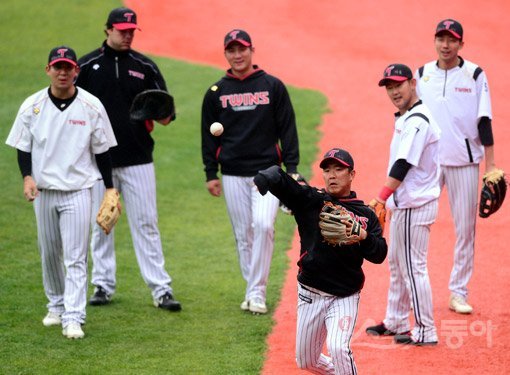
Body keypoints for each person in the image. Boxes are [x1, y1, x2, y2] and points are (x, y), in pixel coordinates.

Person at [5, 46, 117, 339]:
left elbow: (102, 152)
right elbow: (23, 145)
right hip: (44, 192)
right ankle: (55, 305)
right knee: (49, 252)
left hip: (79, 191)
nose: (63, 72)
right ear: (48, 70)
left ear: (76, 71)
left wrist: (109, 188)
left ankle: (73, 316)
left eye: (68, 67)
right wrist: (27, 177)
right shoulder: (33, 106)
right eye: (58, 67)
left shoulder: (92, 106)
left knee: (76, 256)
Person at [75, 7, 181, 311]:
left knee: (146, 222)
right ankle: (103, 285)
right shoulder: (88, 66)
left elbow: (166, 114)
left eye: (132, 31)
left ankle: (161, 289)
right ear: (107, 29)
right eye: (122, 30)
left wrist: (161, 114)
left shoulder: (145, 66)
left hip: (138, 159)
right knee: (102, 223)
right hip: (97, 162)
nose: (127, 35)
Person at [253, 148, 387, 374]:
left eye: (338, 169)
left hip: (344, 295)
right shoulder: (312, 201)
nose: (332, 175)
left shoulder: (366, 215)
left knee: (338, 347)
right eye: (327, 170)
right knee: (306, 361)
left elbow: (380, 254)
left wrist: (362, 235)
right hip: (310, 293)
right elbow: (289, 186)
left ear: (352, 174)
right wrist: (271, 175)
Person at [201, 29, 300, 314]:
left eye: (242, 49)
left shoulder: (272, 86)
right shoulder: (216, 93)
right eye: (231, 50)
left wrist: (291, 168)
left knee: (264, 226)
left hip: (268, 173)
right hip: (232, 172)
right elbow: (208, 137)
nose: (237, 55)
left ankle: (256, 292)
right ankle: (253, 290)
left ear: (251, 50)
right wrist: (211, 173)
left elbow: (287, 129)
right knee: (243, 234)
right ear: (226, 54)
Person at [415, 19, 499, 314]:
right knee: (417, 223)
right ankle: (416, 287)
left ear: (461, 44)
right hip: (429, 163)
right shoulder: (422, 75)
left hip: (465, 162)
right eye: (441, 39)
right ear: (435, 41)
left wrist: (491, 165)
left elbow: (484, 119)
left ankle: (458, 292)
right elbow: (411, 120)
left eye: (451, 40)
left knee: (466, 230)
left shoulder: (474, 74)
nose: (445, 45)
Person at [365, 64, 441, 346]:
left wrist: (381, 197)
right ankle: (396, 319)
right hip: (406, 205)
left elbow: (403, 163)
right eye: (389, 86)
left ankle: (425, 330)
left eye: (398, 85)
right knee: (398, 265)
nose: (394, 91)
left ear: (412, 83)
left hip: (414, 205)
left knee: (413, 268)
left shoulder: (418, 120)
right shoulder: (408, 117)